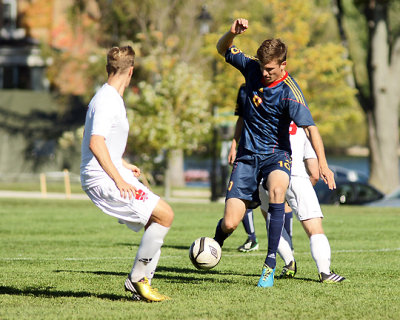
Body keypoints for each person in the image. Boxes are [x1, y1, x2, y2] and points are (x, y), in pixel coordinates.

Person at [213, 18, 335, 288]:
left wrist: (323, 165)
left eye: (270, 69)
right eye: (262, 67)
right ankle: (216, 242)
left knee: (278, 189)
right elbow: (222, 49)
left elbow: (312, 129)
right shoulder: (253, 69)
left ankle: (270, 262)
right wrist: (230, 34)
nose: (265, 73)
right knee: (231, 223)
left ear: (283, 65)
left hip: (276, 155)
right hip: (247, 157)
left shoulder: (291, 92)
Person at [80, 46, 174, 302]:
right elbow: (95, 143)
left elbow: (105, 144)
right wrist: (118, 179)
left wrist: (122, 164)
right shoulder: (107, 101)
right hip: (102, 179)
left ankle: (141, 282)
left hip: (108, 173)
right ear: (131, 71)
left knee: (157, 220)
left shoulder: (109, 98)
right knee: (165, 215)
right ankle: (137, 280)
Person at [259, 122, 346, 283]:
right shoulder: (303, 125)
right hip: (295, 175)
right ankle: (325, 273)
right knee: (314, 229)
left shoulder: (264, 118)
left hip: (267, 178)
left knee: (272, 222)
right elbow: (313, 172)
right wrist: (299, 194)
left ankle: (289, 263)